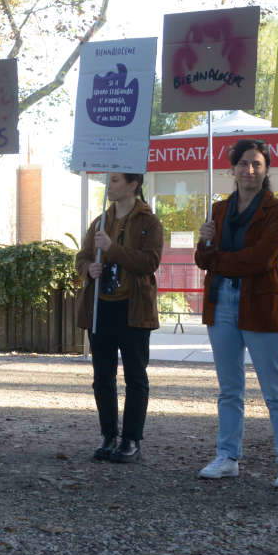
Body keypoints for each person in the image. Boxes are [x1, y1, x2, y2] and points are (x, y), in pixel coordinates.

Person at [194, 138, 278, 489]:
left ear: (267, 169)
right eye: (244, 163)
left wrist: (218, 259)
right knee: (229, 388)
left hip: (259, 302)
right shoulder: (218, 210)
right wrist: (204, 242)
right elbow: (202, 260)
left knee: (275, 389)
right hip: (221, 301)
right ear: (233, 168)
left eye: (257, 164)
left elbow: (262, 259)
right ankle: (227, 456)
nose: (250, 170)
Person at [76, 171, 163, 464]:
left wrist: (113, 250)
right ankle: (108, 435)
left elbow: (150, 262)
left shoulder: (149, 222)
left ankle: (131, 439)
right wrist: (89, 268)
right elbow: (82, 257)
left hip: (133, 307)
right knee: (102, 376)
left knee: (135, 376)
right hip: (101, 307)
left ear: (132, 184)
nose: (108, 185)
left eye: (114, 180)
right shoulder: (100, 222)